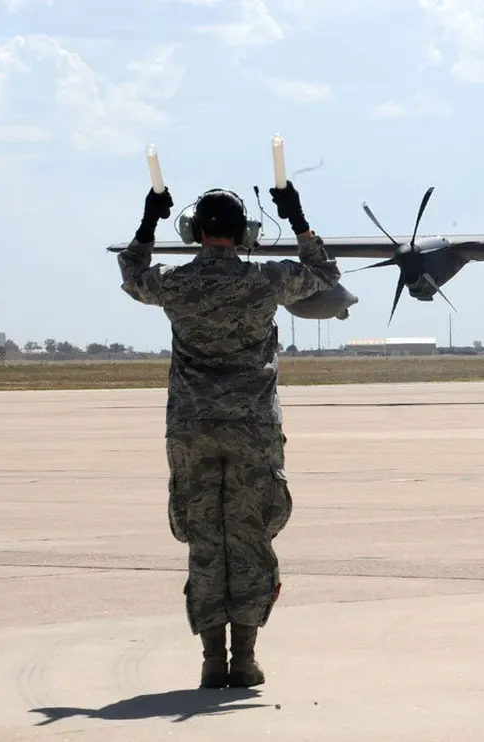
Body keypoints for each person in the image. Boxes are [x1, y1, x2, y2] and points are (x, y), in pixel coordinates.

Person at [118, 180, 341, 688]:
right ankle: (244, 658)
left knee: (204, 537)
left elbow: (132, 275)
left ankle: (211, 661)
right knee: (248, 535)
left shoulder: (174, 283)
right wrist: (299, 218)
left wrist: (149, 219)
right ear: (243, 236)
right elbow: (325, 273)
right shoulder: (265, 281)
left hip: (192, 429)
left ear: (195, 233)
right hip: (251, 428)